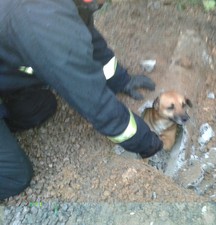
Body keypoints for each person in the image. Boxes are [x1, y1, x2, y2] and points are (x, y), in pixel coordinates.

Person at [0, 0, 163, 200]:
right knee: (14, 175)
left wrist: (120, 79)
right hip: (25, 24)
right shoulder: (43, 21)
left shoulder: (67, 6)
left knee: (42, 105)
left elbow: (88, 37)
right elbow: (92, 100)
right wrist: (145, 141)